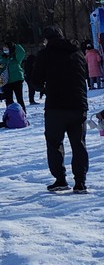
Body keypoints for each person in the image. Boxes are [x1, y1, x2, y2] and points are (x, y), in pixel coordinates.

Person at [34, 25, 89, 193]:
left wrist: (44, 88)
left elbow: (35, 80)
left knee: (54, 143)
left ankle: (60, 179)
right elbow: (84, 74)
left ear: (46, 40)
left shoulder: (45, 55)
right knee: (79, 144)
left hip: (56, 106)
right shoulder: (77, 52)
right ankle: (80, 182)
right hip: (78, 105)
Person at [0, 41, 27, 112]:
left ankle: (22, 113)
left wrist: (16, 45)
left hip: (17, 80)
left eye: (6, 48)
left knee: (19, 98)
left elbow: (22, 52)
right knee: (8, 99)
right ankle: (11, 114)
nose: (5, 49)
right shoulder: (1, 58)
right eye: (4, 48)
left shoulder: (16, 57)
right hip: (6, 81)